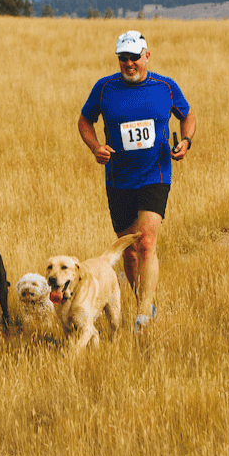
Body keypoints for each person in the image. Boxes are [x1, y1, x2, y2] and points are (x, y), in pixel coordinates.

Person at [77, 30, 195, 334]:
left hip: (155, 174)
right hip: (118, 179)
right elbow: (84, 120)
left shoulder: (165, 86)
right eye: (123, 58)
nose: (129, 63)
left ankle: (143, 312)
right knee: (128, 249)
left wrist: (186, 140)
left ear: (147, 56)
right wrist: (95, 148)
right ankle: (141, 298)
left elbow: (187, 114)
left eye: (134, 57)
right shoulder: (104, 88)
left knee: (146, 242)